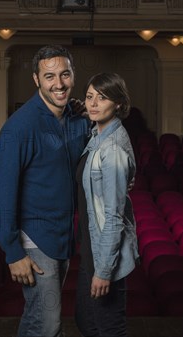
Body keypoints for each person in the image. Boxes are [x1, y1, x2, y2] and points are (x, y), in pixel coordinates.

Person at [0, 44, 90, 337]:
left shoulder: (75, 118)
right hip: (33, 239)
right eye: (49, 76)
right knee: (48, 324)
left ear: (73, 75)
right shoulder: (19, 129)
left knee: (38, 319)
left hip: (62, 233)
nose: (59, 83)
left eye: (65, 74)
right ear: (36, 80)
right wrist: (12, 251)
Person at [75, 73, 139, 337]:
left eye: (103, 98)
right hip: (91, 245)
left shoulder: (111, 149)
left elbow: (113, 216)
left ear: (119, 104)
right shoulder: (97, 136)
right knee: (87, 322)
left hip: (104, 252)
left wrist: (104, 271)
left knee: (108, 328)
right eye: (90, 97)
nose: (94, 103)